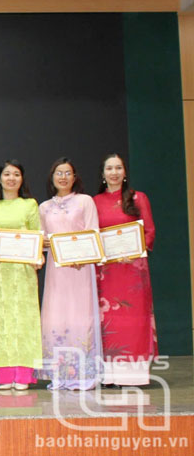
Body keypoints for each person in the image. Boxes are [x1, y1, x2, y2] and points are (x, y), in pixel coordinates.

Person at [37, 157, 102, 390]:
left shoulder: (85, 201)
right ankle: (60, 375)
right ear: (52, 177)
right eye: (59, 173)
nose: (63, 177)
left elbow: (94, 232)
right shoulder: (44, 207)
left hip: (80, 268)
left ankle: (84, 374)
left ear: (75, 177)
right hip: (56, 270)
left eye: (68, 173)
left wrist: (81, 256)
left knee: (81, 316)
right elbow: (41, 239)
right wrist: (43, 243)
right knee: (56, 317)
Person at [93, 153, 157, 386]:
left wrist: (137, 249)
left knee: (134, 320)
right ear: (103, 174)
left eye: (118, 168)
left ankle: (134, 375)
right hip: (107, 272)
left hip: (133, 271)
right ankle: (109, 375)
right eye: (109, 168)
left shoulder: (138, 198)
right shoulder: (95, 201)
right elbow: (91, 235)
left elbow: (149, 231)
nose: (114, 173)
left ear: (125, 172)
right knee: (110, 320)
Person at [0, 160, 43, 391]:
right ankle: (3, 374)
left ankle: (23, 375)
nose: (11, 178)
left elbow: (37, 234)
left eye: (16, 174)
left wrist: (38, 256)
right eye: (7, 174)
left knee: (24, 322)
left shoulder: (30, 204)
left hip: (23, 272)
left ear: (22, 178)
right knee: (0, 322)